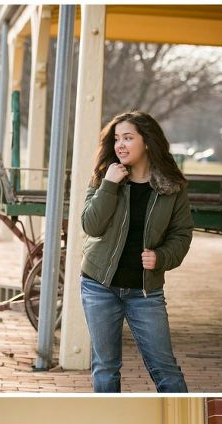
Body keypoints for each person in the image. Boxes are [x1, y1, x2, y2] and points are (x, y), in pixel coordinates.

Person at [80, 110, 193, 392]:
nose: (120, 145)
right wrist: (109, 184)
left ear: (147, 142)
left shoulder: (171, 187)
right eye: (117, 139)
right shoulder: (104, 177)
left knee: (165, 368)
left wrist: (162, 257)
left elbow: (181, 234)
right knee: (105, 368)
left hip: (145, 291)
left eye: (128, 138)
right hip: (99, 286)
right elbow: (90, 226)